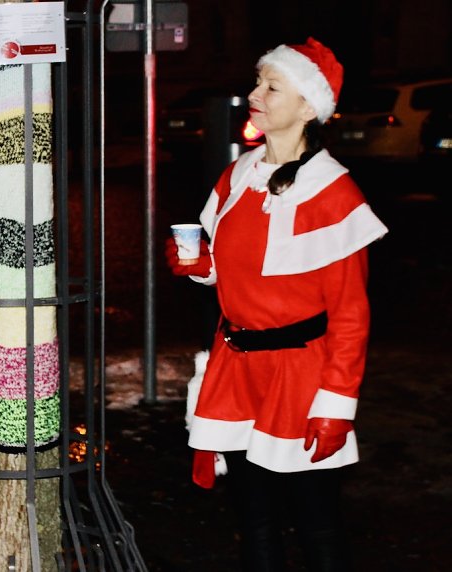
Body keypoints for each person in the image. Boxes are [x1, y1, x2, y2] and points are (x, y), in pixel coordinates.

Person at [166, 38, 388, 571]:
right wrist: (200, 266)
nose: (254, 95)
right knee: (254, 520)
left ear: (308, 107)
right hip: (236, 369)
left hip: (300, 379)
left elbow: (351, 316)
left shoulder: (334, 194)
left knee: (317, 525)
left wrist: (336, 405)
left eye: (272, 87)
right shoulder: (238, 175)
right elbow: (233, 270)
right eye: (257, 83)